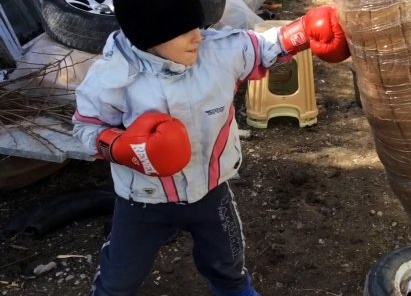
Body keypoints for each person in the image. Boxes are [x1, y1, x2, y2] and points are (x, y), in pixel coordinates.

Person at [71, 0, 350, 295]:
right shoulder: (112, 77)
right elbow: (86, 126)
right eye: (183, 31)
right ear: (149, 36)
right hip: (141, 200)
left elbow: (262, 45)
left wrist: (304, 30)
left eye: (198, 25)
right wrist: (117, 146)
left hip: (210, 191)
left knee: (227, 265)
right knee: (120, 278)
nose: (198, 37)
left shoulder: (217, 53)